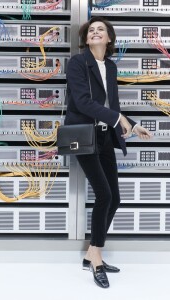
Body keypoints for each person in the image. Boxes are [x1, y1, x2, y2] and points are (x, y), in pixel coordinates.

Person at [65, 16, 152, 289]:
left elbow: (111, 103)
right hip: (84, 136)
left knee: (115, 199)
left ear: (109, 38)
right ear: (87, 38)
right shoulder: (78, 63)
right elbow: (82, 101)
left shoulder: (111, 67)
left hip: (103, 137)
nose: (95, 32)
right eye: (91, 30)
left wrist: (132, 125)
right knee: (104, 195)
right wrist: (118, 119)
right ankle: (97, 258)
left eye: (100, 29)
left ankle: (92, 252)